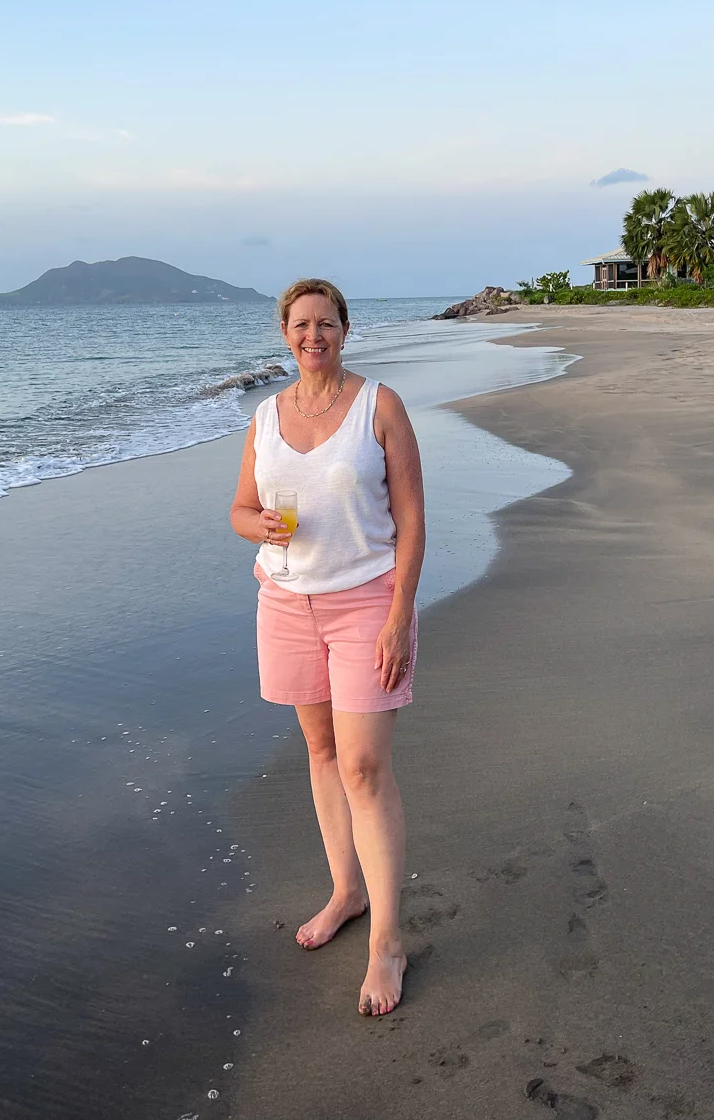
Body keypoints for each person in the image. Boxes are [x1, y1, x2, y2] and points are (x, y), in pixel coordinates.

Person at [230, 278, 426, 1016]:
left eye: (327, 323)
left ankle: (389, 941)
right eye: (301, 324)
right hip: (284, 603)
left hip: (366, 601)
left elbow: (411, 517)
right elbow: (240, 508)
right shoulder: (266, 414)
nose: (314, 335)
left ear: (346, 329)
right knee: (319, 754)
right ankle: (344, 891)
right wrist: (257, 528)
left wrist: (399, 613)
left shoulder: (380, 406)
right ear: (284, 334)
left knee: (365, 767)